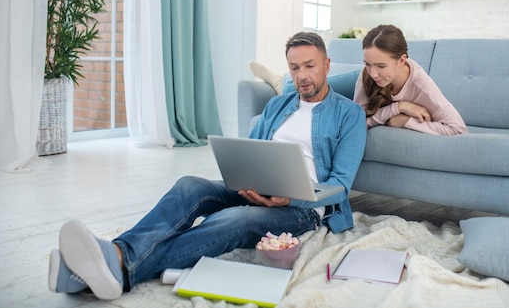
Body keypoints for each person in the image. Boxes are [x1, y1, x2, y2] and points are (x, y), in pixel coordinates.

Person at [48, 32, 367, 300]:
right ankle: (106, 263)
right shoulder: (277, 104)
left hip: (302, 208)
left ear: (327, 65)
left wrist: (291, 198)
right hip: (258, 188)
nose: (301, 76)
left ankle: (115, 262)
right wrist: (246, 178)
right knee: (190, 184)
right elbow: (253, 151)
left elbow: (340, 185)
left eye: (309, 66)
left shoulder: (348, 114)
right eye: (294, 68)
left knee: (235, 218)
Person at [354, 25, 467, 136]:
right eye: (367, 64)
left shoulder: (422, 86)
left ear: (402, 60)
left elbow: (459, 130)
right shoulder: (367, 73)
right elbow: (355, 124)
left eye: (381, 66)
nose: (373, 73)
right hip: (352, 78)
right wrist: (399, 107)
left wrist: (407, 121)